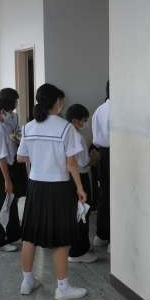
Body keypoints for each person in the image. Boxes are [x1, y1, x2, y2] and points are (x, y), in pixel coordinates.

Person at [17, 83, 88, 300]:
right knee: (61, 238)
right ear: (56, 102)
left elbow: (20, 157)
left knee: (30, 236)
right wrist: (80, 188)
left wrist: (39, 155)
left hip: (35, 186)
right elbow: (71, 163)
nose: (62, 104)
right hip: (59, 187)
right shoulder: (65, 128)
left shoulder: (29, 127)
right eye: (61, 100)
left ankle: (27, 281)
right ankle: (62, 289)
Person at [0, 96, 23, 251]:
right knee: (0, 206)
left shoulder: (3, 125)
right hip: (0, 171)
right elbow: (1, 157)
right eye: (10, 111)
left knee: (11, 203)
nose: (12, 113)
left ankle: (13, 235)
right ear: (2, 111)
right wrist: (7, 180)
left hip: (7, 168)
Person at [66, 104, 98, 264]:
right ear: (75, 120)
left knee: (76, 213)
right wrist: (94, 158)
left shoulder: (65, 133)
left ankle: (79, 247)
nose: (84, 124)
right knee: (83, 213)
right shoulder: (77, 138)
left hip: (68, 178)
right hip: (80, 178)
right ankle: (78, 252)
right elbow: (84, 163)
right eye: (83, 120)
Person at [92, 80, 110, 249]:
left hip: (102, 154)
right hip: (115, 154)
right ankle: (113, 240)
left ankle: (101, 234)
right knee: (117, 195)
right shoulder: (118, 110)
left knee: (104, 193)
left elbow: (96, 136)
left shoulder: (99, 110)